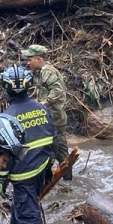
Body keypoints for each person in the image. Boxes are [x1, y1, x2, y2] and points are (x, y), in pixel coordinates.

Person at [0, 65, 56, 224]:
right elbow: (54, 138)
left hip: (23, 175)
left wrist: (0, 181)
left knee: (28, 215)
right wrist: (48, 166)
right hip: (42, 167)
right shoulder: (41, 109)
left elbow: (3, 156)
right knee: (24, 205)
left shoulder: (6, 118)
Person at [21, 44, 70, 179]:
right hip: (49, 118)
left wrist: (44, 103)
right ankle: (52, 176)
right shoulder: (39, 73)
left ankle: (66, 178)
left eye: (30, 59)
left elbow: (58, 90)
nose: (28, 62)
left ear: (39, 59)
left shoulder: (47, 72)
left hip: (54, 118)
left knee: (59, 148)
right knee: (49, 147)